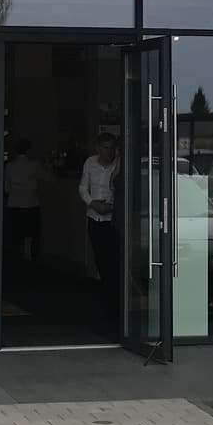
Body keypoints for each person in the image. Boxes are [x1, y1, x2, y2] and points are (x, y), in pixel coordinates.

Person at [80, 133, 120, 327]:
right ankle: (108, 300)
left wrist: (111, 207)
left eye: (112, 147)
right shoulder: (90, 163)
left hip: (113, 219)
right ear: (98, 148)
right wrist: (92, 203)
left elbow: (122, 188)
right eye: (105, 147)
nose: (108, 152)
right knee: (101, 260)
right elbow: (82, 188)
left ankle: (114, 304)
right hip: (94, 217)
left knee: (114, 262)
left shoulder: (119, 164)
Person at [4, 139, 42, 265]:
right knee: (31, 231)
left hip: (14, 204)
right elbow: (47, 177)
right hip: (31, 203)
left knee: (15, 232)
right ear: (29, 150)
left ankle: (15, 257)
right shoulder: (34, 165)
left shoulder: (9, 166)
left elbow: (7, 188)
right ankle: (29, 255)